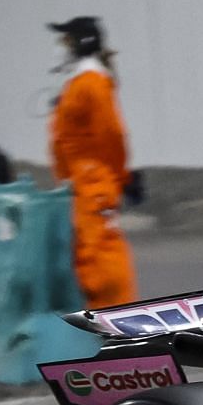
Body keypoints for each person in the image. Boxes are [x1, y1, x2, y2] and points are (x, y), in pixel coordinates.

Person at [48, 16, 139, 311]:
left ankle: (116, 324)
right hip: (80, 185)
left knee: (100, 261)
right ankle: (102, 323)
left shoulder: (93, 83)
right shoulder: (81, 83)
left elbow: (112, 134)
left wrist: (121, 176)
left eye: (67, 41)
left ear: (80, 43)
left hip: (93, 185)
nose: (63, 47)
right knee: (88, 260)